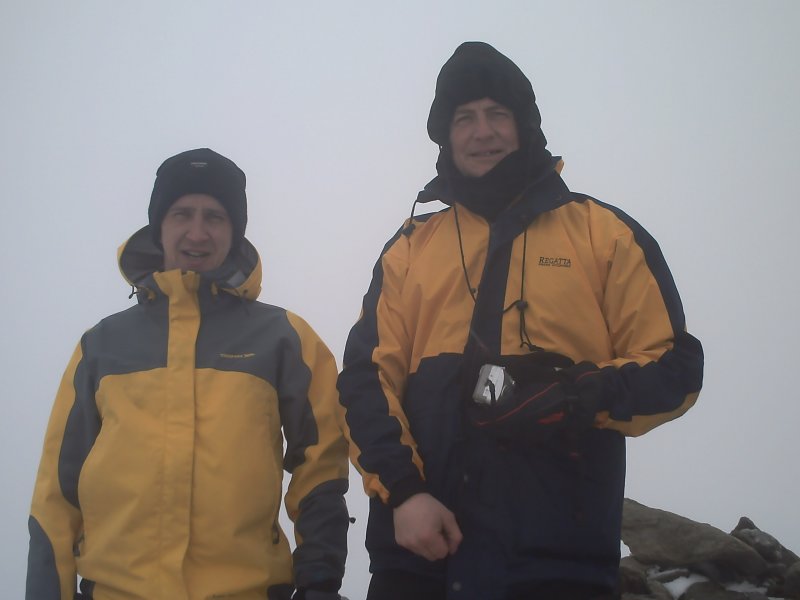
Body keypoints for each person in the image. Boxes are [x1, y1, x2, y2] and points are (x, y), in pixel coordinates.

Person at [337, 42, 704, 600]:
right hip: (418, 560)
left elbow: (674, 368)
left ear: (525, 125)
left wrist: (573, 395)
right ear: (446, 136)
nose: (482, 131)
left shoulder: (604, 234)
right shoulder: (410, 248)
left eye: (497, 114)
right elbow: (366, 380)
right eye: (464, 118)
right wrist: (404, 492)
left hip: (560, 563)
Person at [27, 148, 350, 600]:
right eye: (182, 214)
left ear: (234, 232)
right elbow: (57, 497)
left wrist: (319, 583)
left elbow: (321, 468)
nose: (197, 232)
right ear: (159, 226)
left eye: (214, 217)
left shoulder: (286, 339)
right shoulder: (99, 347)